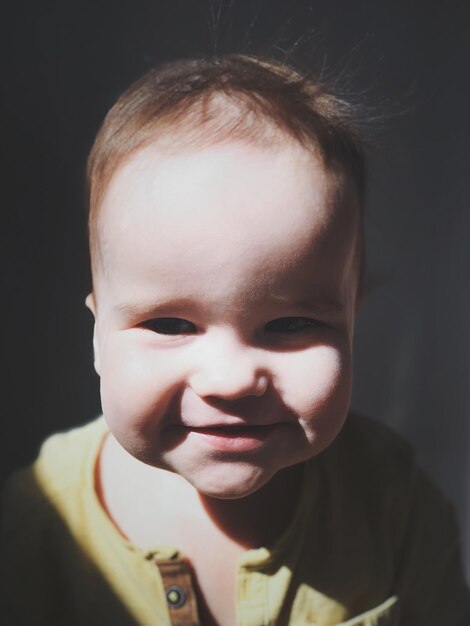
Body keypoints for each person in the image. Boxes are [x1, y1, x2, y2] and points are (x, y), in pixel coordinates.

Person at [1, 54, 469, 626]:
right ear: (98, 335)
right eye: (170, 324)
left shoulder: (395, 509)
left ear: (352, 321)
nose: (230, 380)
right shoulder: (31, 530)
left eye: (291, 324)